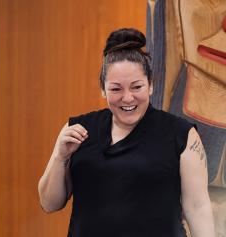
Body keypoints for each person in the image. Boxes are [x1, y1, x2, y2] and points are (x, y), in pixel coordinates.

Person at [38, 28, 215, 237]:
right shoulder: (77, 130)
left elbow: (197, 208)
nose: (128, 98)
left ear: (150, 85)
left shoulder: (180, 134)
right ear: (103, 89)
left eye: (136, 87)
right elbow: (49, 204)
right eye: (116, 89)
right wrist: (61, 156)